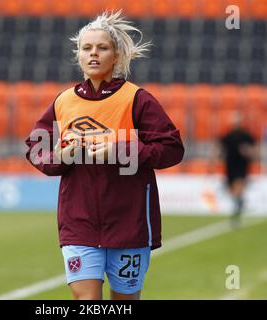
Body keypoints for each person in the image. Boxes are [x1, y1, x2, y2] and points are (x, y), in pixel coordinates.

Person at [24, 11, 184, 300]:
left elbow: (172, 149)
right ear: (78, 55)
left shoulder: (137, 98)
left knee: (124, 302)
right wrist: (60, 156)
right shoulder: (63, 101)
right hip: (79, 223)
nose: (93, 54)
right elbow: (36, 148)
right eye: (86, 48)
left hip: (129, 223)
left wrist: (121, 150)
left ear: (117, 55)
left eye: (102, 48)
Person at [219, 111, 257, 227]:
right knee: (231, 189)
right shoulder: (227, 135)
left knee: (238, 185)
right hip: (230, 164)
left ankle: (236, 213)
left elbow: (253, 150)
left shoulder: (246, 135)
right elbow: (221, 148)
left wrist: (247, 152)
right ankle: (239, 202)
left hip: (241, 165)